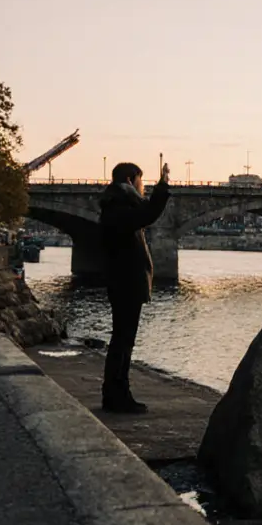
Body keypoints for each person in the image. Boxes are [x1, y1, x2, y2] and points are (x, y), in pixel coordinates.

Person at [99, 161, 170, 413]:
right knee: (123, 340)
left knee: (123, 339)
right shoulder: (118, 206)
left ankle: (118, 392)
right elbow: (148, 215)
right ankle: (116, 395)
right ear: (130, 180)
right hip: (125, 281)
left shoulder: (117, 204)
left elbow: (143, 213)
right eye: (142, 181)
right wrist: (162, 188)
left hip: (123, 280)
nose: (143, 187)